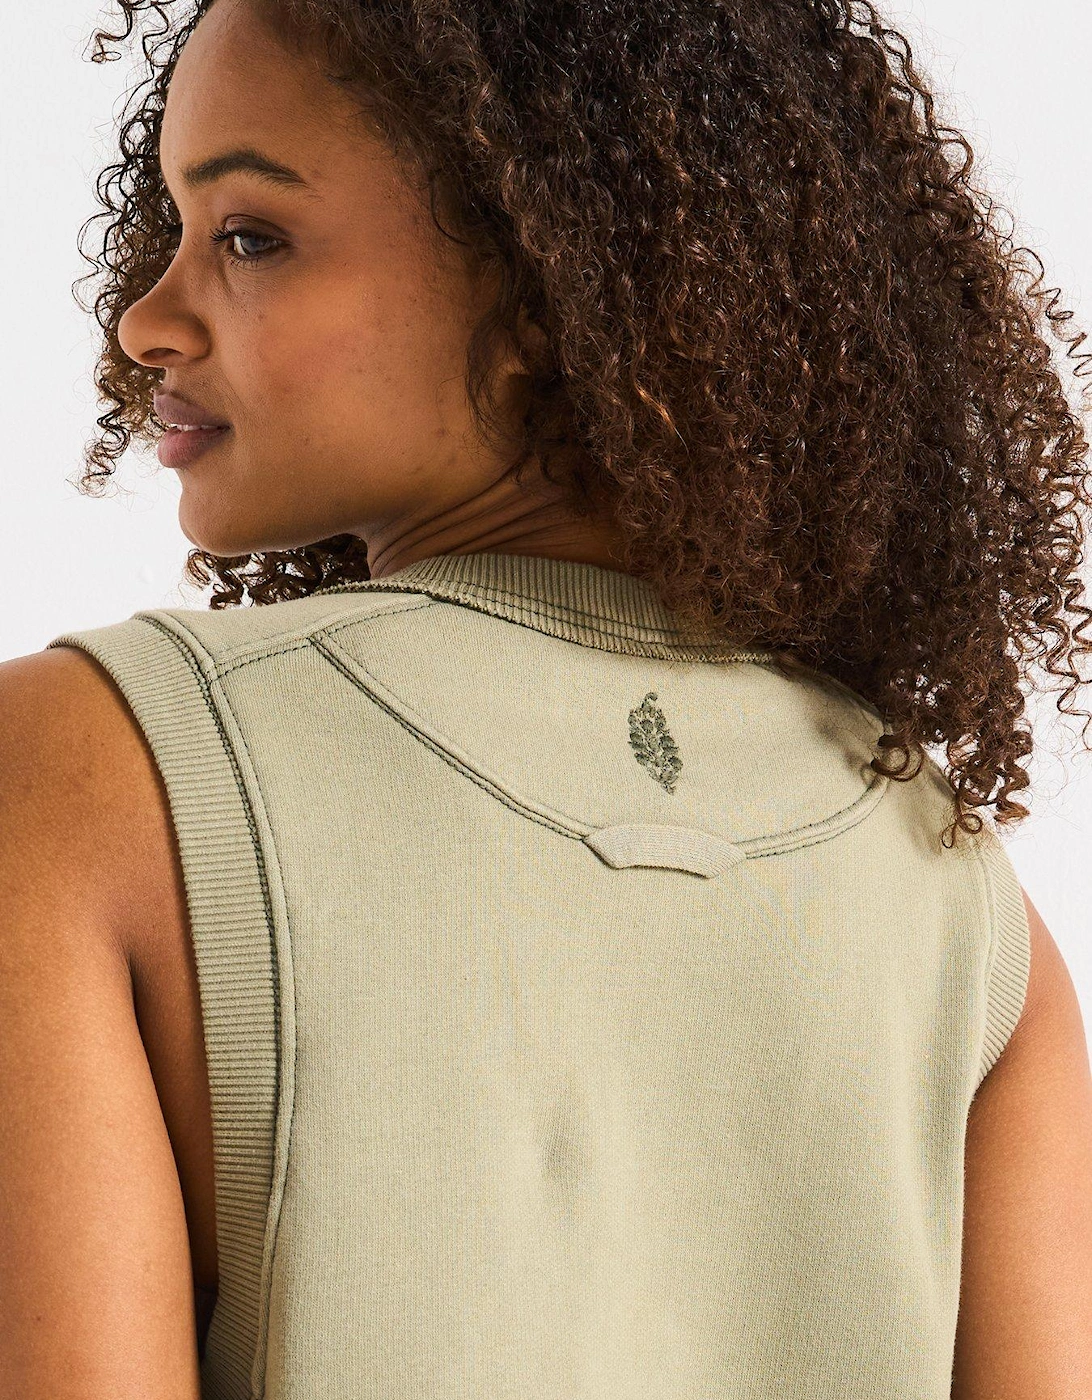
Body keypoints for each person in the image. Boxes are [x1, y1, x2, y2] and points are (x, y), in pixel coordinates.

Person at [2, 0, 1091, 1395]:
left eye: (250, 236)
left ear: (541, 294)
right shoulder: (958, 896)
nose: (146, 319)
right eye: (174, 231)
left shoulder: (80, 776)